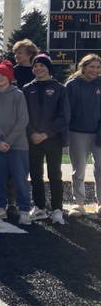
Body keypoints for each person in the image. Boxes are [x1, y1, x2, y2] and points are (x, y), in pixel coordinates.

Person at [24, 53, 70, 225]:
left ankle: (57, 209)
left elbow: (64, 116)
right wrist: (32, 133)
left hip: (52, 139)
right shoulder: (28, 88)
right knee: (35, 174)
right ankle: (39, 207)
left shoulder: (59, 88)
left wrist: (46, 133)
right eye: (35, 65)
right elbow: (23, 115)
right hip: (33, 138)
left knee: (54, 174)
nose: (38, 68)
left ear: (48, 68)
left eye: (42, 65)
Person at [0, 61, 31, 222]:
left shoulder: (18, 94)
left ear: (9, 77)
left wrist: (9, 141)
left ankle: (25, 210)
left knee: (20, 179)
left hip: (18, 144)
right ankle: (0, 207)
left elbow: (23, 119)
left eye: (3, 74)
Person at [65, 53, 101, 217]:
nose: (95, 70)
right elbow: (66, 111)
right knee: (78, 170)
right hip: (77, 133)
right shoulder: (72, 85)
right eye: (91, 66)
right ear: (84, 67)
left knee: (100, 168)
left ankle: (100, 203)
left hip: (98, 132)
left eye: (98, 67)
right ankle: (79, 204)